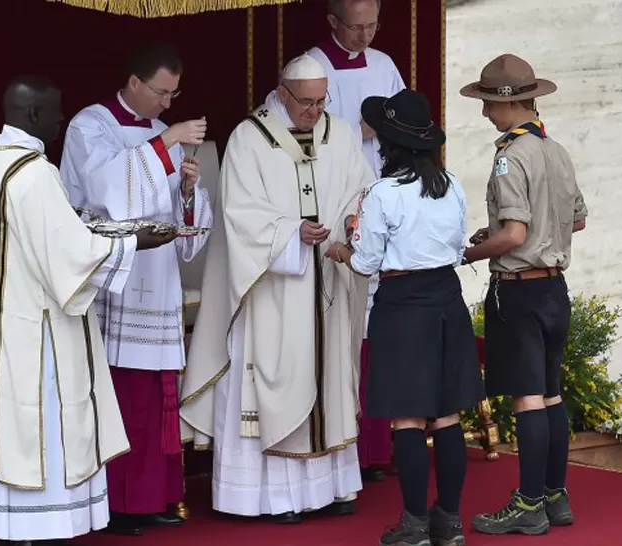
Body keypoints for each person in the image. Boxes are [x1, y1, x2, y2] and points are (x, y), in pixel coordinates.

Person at [0, 74, 178, 545]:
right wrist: (134, 240)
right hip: (38, 329)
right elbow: (66, 255)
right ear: (34, 114)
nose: (61, 118)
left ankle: (16, 524)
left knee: (14, 424)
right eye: (55, 110)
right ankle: (45, 524)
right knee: (46, 423)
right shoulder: (34, 173)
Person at [179, 53, 372, 524]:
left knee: (327, 374)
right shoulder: (250, 139)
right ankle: (273, 498)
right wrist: (291, 234)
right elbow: (239, 215)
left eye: (321, 100)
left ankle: (330, 489)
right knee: (275, 373)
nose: (314, 111)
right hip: (271, 286)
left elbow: (361, 191)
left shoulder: (340, 133)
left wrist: (351, 223)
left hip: (328, 278)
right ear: (282, 93)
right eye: (305, 101)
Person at [60, 42, 212, 536]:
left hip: (159, 280)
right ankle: (120, 503)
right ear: (134, 83)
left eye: (175, 94)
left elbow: (172, 210)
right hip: (116, 283)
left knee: (158, 397)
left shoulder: (158, 133)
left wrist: (188, 190)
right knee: (124, 398)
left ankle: (158, 496)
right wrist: (166, 143)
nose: (169, 103)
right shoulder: (91, 125)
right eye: (162, 93)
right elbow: (110, 196)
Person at [325, 89, 483, 546]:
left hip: (402, 304)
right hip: (446, 300)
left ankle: (414, 523)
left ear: (390, 147)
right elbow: (456, 250)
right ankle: (449, 521)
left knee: (408, 421)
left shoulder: (381, 194)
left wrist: (339, 250)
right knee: (448, 416)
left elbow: (365, 261)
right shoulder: (451, 184)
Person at [459, 54, 588, 536]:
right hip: (555, 287)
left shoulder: (511, 155)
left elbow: (513, 235)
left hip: (519, 290)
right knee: (551, 396)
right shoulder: (555, 150)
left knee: (528, 400)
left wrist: (469, 253)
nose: (485, 113)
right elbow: (576, 219)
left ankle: (529, 503)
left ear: (505, 102)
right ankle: (555, 496)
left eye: (488, 103)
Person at [308, 0, 406, 482]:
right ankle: (347, 447)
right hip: (335, 211)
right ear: (333, 23)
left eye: (373, 26)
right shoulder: (311, 70)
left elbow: (406, 125)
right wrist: (360, 130)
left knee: (379, 331)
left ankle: (378, 447)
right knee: (347, 334)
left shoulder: (385, 65)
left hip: (380, 203)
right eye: (357, 26)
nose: (366, 35)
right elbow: (300, 135)